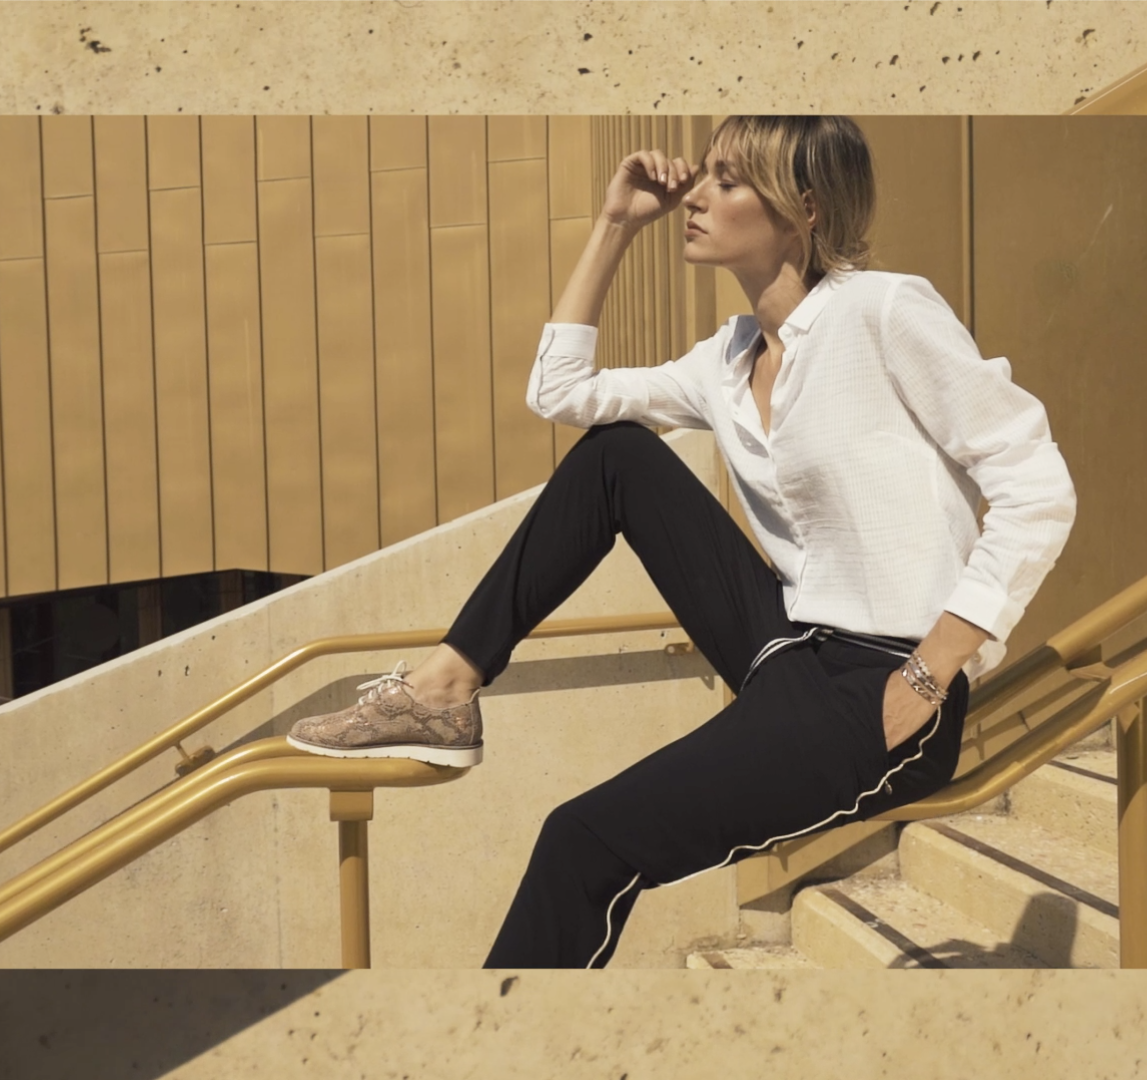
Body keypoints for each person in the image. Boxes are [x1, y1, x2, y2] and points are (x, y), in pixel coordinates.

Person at [286, 115, 1077, 969]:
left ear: (803, 209)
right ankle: (444, 684)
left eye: (728, 182)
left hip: (879, 683)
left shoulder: (884, 311)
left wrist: (930, 672)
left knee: (581, 842)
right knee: (618, 455)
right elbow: (561, 393)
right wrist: (615, 224)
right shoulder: (727, 358)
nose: (695, 197)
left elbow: (1038, 486)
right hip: (786, 646)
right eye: (705, 177)